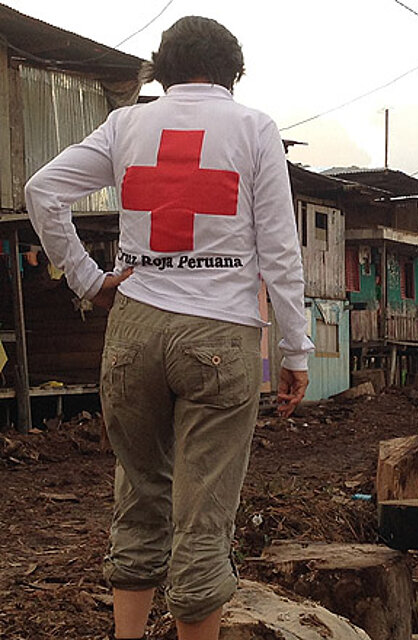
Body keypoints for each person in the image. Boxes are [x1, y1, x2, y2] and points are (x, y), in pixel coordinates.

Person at [24, 17, 313, 640]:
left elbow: (41, 191)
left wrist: (87, 277)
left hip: (134, 329)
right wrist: (295, 348)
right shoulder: (254, 128)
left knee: (139, 497)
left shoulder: (127, 123)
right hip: (221, 333)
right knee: (203, 519)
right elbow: (281, 251)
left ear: (162, 68)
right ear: (232, 72)